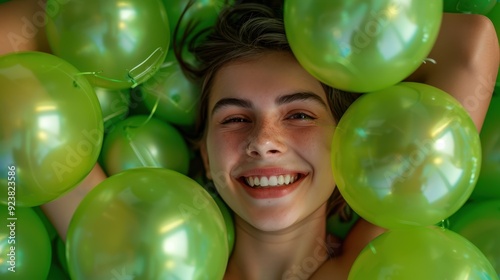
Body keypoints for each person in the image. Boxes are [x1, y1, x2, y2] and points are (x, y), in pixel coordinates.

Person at [2, 1, 498, 279]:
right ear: (203, 150)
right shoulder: (139, 251)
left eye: (299, 114)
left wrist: (341, 39)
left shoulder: (378, 257)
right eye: (235, 120)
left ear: (346, 138)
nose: (264, 141)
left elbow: (470, 44)